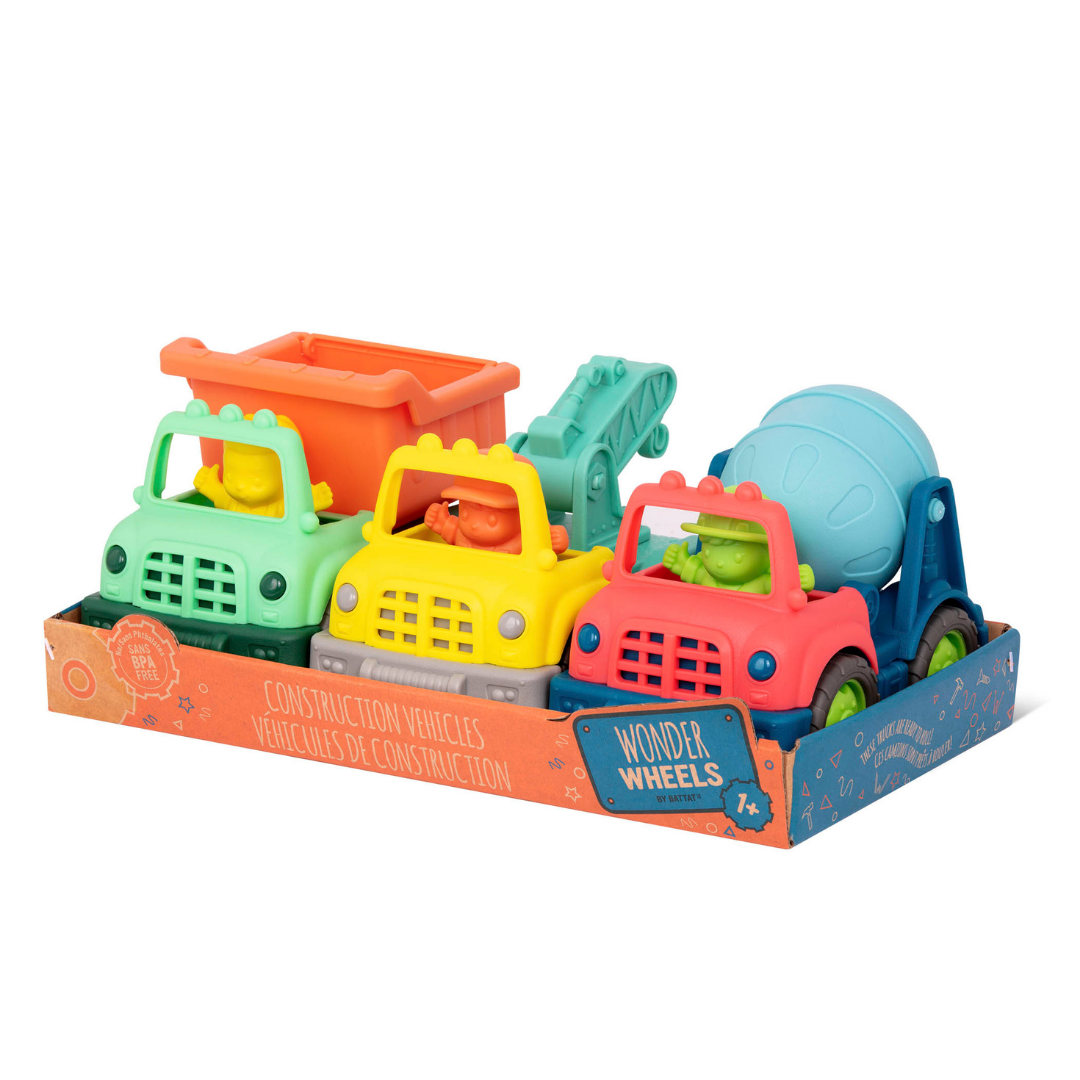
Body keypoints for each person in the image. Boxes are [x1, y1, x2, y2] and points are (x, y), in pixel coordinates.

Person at [194, 415, 332, 518]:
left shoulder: (279, 508)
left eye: (257, 482)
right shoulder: (231, 501)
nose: (239, 486)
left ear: (286, 477)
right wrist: (209, 485)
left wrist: (312, 502)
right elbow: (218, 494)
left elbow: (297, 510)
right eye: (230, 477)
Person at [662, 512, 814, 593]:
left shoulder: (761, 584)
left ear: (768, 554)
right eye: (708, 552)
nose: (719, 563)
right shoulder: (707, 576)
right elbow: (693, 571)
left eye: (737, 557)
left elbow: (783, 588)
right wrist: (679, 562)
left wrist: (797, 581)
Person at [425, 475, 569, 555]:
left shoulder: (523, 540)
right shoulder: (462, 534)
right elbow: (449, 529)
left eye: (491, 520)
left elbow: (542, 543)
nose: (474, 525)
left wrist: (553, 540)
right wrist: (439, 521)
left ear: (520, 515)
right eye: (465, 514)